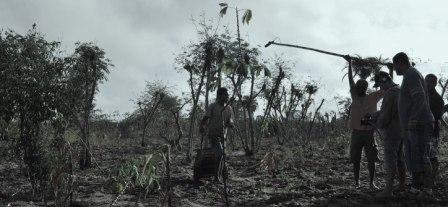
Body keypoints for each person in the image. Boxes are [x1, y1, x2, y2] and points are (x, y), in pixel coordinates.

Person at [393, 52, 434, 192]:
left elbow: (420, 97)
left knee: (421, 154)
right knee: (413, 155)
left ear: (400, 63)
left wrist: (414, 118)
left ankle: (427, 189)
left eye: (394, 66)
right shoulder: (410, 74)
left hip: (419, 123)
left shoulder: (411, 74)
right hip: (415, 124)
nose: (394, 69)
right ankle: (417, 186)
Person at [345, 55, 384, 189]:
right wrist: (349, 64)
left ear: (366, 88)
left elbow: (386, 87)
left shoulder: (373, 97)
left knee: (371, 159)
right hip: (356, 133)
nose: (359, 88)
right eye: (358, 86)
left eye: (362, 86)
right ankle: (357, 182)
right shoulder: (354, 96)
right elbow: (350, 79)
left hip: (369, 133)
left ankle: (371, 183)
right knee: (356, 159)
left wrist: (388, 71)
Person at [372, 71, 406, 197]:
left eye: (380, 84)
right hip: (401, 130)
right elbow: (391, 110)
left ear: (384, 80)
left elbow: (386, 115)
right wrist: (376, 114)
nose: (380, 88)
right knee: (399, 158)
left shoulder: (390, 93)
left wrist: (377, 124)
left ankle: (388, 190)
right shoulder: (400, 89)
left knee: (390, 159)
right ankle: (401, 184)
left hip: (392, 131)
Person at [200, 87, 234, 179]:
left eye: (227, 95)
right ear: (219, 96)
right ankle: (217, 176)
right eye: (225, 95)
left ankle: (221, 174)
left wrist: (230, 124)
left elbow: (229, 120)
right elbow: (205, 119)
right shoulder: (212, 106)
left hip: (223, 136)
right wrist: (202, 126)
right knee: (220, 154)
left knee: (222, 155)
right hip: (213, 134)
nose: (227, 97)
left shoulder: (229, 108)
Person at [425, 74, 444, 182]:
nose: (427, 84)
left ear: (435, 83)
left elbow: (436, 117)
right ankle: (425, 179)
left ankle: (432, 179)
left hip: (432, 132)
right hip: (422, 131)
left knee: (431, 156)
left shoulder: (438, 99)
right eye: (426, 81)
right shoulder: (423, 96)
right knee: (425, 156)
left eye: (430, 82)